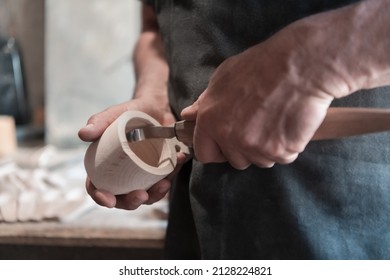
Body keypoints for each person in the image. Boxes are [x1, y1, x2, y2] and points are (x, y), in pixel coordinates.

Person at [78, 0, 390, 259]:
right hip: (199, 225)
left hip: (339, 222)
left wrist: (303, 63)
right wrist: (156, 95)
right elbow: (155, 29)